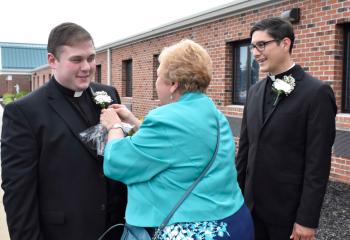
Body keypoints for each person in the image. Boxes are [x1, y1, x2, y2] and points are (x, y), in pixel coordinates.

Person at [100, 39, 254, 239]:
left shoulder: (166, 119)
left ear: (173, 84)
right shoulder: (212, 112)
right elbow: (181, 147)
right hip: (232, 221)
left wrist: (114, 125)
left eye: (158, 77)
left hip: (191, 228)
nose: (156, 84)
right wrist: (133, 121)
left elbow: (117, 163)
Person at [1, 22, 127, 240]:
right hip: (65, 232)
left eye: (91, 57)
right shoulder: (24, 112)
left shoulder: (108, 94)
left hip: (117, 229)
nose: (87, 67)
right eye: (76, 60)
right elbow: (18, 194)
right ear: (52, 60)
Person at [236, 17, 337, 240]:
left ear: (285, 43)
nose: (255, 52)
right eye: (253, 46)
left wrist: (307, 219)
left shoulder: (316, 93)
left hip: (288, 216)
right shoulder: (253, 92)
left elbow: (317, 164)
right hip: (249, 210)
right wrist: (234, 200)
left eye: (262, 45)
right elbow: (245, 151)